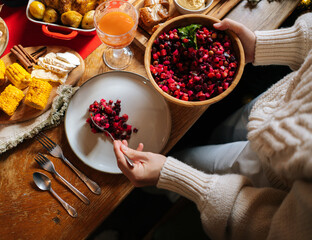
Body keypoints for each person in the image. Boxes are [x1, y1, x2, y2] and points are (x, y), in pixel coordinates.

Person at [113, 13, 312, 240]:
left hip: (272, 176)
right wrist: (259, 46)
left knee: (193, 161)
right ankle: (207, 144)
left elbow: (273, 230)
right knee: (227, 131)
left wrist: (172, 175)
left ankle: (155, 194)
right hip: (280, 104)